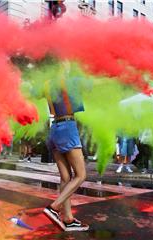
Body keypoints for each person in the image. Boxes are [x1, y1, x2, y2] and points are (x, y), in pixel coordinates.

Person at [43, 62, 89, 232]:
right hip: (68, 127)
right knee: (81, 174)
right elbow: (95, 84)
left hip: (54, 128)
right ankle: (54, 208)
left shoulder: (47, 84)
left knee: (65, 177)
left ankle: (68, 219)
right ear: (63, 65)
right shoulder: (72, 81)